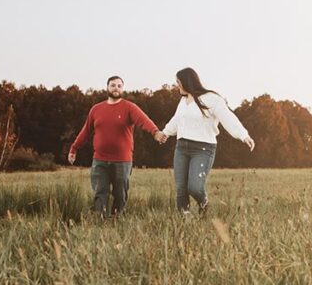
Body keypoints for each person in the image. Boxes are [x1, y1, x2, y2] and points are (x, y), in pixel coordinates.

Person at [155, 68, 254, 215]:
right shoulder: (183, 101)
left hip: (203, 149)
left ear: (187, 81)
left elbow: (228, 117)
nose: (177, 86)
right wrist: (165, 133)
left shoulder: (212, 98)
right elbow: (176, 120)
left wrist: (243, 135)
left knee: (194, 187)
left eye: (178, 82)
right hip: (181, 148)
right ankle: (185, 219)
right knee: (181, 188)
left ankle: (204, 203)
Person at [68, 75, 163, 218]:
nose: (116, 88)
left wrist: (155, 132)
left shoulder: (129, 107)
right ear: (107, 87)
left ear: (122, 89)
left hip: (122, 161)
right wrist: (74, 148)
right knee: (100, 191)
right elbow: (85, 131)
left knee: (120, 194)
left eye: (119, 86)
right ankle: (99, 220)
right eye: (113, 85)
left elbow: (143, 120)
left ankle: (117, 220)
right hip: (99, 159)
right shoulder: (96, 109)